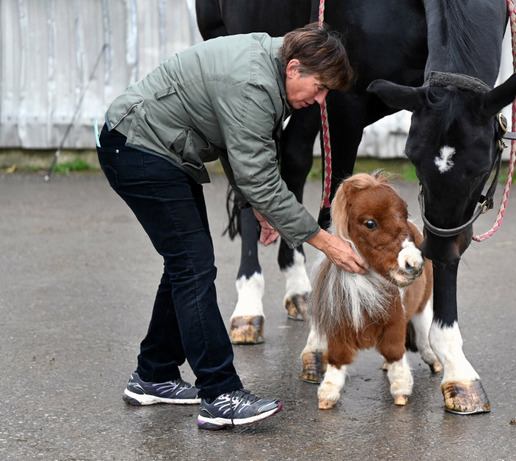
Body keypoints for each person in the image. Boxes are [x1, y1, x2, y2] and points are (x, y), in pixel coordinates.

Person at [96, 23, 368, 430]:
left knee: (186, 265)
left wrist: (256, 205)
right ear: (294, 68)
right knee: (193, 267)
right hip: (139, 149)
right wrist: (326, 242)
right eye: (320, 87)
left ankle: (154, 374)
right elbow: (259, 172)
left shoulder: (270, 67)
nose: (320, 99)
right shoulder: (254, 84)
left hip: (157, 149)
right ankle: (220, 393)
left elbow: (241, 144)